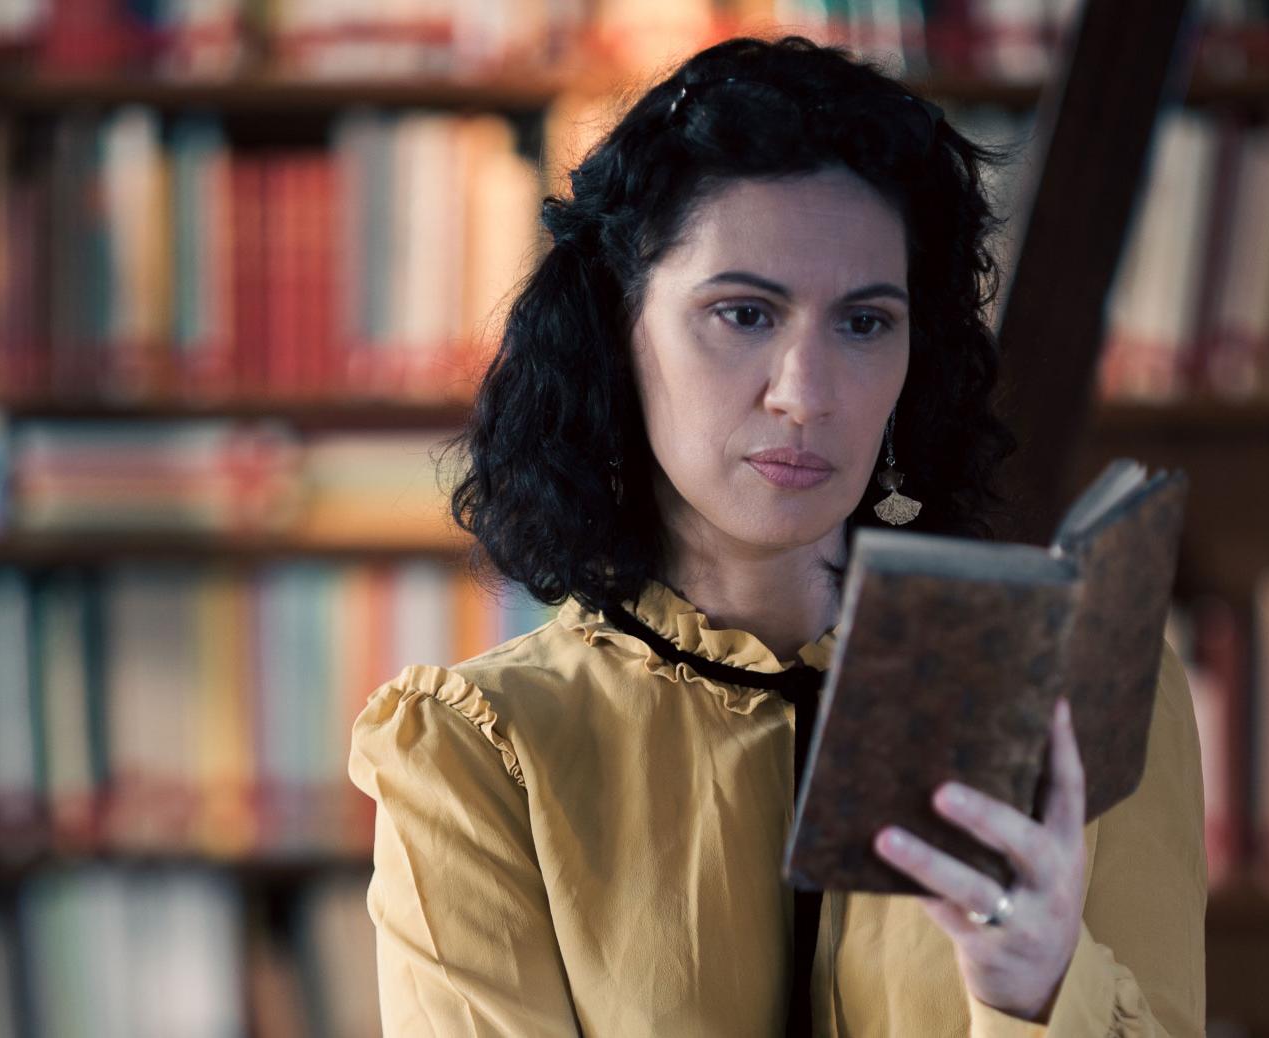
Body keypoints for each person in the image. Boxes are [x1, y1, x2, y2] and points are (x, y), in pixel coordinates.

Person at [347, 33, 1206, 1037]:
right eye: (745, 314)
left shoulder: (1079, 688)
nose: (806, 395)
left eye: (864, 324)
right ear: (616, 333)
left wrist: (1035, 992)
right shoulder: (475, 756)